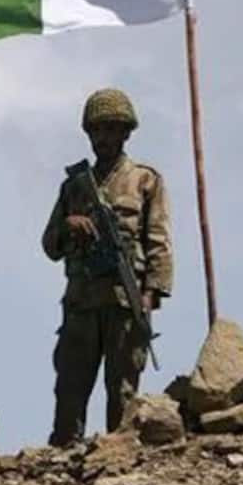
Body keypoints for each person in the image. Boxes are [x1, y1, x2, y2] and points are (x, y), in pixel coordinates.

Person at [41, 88, 174, 447]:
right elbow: (50, 245)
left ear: (126, 132)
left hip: (124, 302)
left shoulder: (144, 180)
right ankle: (63, 456)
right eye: (97, 130)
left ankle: (118, 457)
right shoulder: (74, 186)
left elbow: (158, 241)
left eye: (112, 129)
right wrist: (69, 225)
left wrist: (150, 295)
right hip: (81, 302)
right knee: (70, 386)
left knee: (123, 390)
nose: (103, 137)